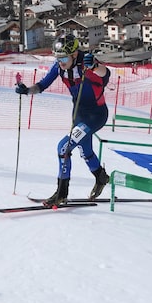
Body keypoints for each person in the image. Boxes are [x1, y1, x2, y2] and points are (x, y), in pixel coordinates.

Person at [16, 34, 111, 205]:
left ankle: (61, 193)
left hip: (95, 116)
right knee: (85, 151)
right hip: (79, 115)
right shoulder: (60, 67)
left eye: (64, 57)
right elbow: (42, 85)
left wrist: (95, 66)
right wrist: (26, 91)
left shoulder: (86, 63)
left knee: (63, 148)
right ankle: (101, 177)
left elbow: (105, 74)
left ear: (75, 54)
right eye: (57, 57)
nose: (60, 61)